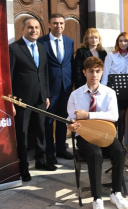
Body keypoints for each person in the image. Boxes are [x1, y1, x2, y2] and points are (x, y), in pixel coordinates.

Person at [67, 57, 128, 209]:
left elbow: (114, 116)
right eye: (91, 71)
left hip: (105, 134)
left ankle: (116, 193)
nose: (94, 74)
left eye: (97, 71)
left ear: (102, 73)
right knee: (95, 154)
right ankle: (97, 198)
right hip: (84, 135)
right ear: (84, 72)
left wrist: (88, 115)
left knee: (119, 151)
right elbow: (70, 118)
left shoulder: (109, 92)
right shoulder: (75, 94)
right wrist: (71, 126)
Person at [9, 17, 56, 182]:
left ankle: (41, 161)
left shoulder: (42, 48)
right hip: (21, 101)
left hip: (41, 99)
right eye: (30, 27)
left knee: (41, 131)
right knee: (22, 134)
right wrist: (11, 101)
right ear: (22, 29)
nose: (34, 30)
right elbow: (9, 77)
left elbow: (44, 74)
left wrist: (47, 94)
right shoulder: (14, 49)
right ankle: (23, 168)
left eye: (36, 27)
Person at [38, 13, 74, 165]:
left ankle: (60, 148)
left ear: (64, 25)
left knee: (61, 120)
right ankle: (49, 152)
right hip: (49, 89)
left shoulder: (69, 41)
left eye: (61, 23)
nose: (58, 26)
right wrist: (44, 91)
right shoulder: (41, 42)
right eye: (55, 23)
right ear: (49, 24)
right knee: (47, 122)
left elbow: (69, 64)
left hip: (66, 88)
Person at [101, 32, 128, 145]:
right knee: (112, 117)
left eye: (125, 41)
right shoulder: (111, 55)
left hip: (125, 89)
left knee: (122, 116)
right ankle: (110, 143)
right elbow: (105, 72)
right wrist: (103, 89)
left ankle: (120, 144)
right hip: (112, 89)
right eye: (120, 41)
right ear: (117, 43)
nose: (123, 43)